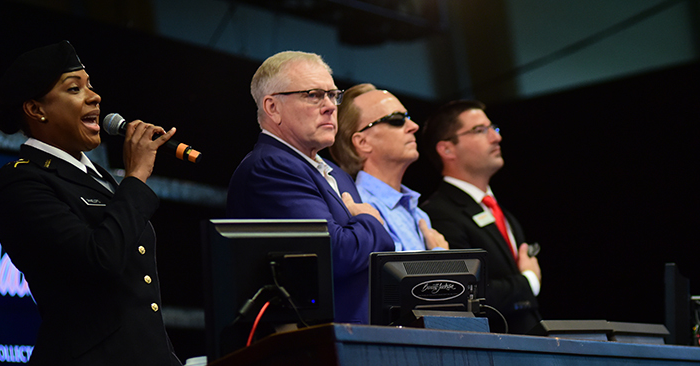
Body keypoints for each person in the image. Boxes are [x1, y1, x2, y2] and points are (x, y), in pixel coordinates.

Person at [0, 41, 183, 366]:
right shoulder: (23, 180)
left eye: (90, 85)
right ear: (36, 109)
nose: (95, 96)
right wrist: (134, 179)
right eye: (74, 88)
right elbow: (99, 258)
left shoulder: (94, 176)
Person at [227, 52, 394, 325]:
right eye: (313, 95)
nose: (329, 106)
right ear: (272, 108)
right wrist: (370, 220)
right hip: (316, 349)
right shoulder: (271, 168)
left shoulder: (336, 174)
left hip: (360, 338)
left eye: (332, 95)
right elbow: (334, 255)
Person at [421, 100, 542, 334]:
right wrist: (529, 281)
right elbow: (465, 292)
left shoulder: (502, 213)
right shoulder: (438, 213)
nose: (496, 138)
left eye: (493, 128)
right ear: (447, 149)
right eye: (479, 130)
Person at [329, 84, 447, 252]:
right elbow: (394, 276)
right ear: (363, 143)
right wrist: (441, 255)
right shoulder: (358, 208)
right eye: (396, 119)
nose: (414, 126)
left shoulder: (419, 214)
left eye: (408, 117)